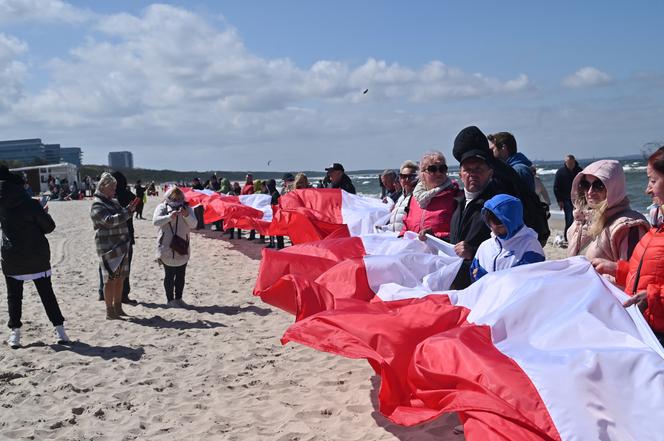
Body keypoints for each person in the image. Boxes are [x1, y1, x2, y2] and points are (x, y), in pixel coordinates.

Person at [592, 146, 664, 343]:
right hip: (646, 325)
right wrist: (618, 269)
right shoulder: (658, 227)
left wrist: (652, 297)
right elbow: (651, 273)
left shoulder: (632, 225)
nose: (647, 189)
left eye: (653, 181)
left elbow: (654, 287)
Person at [0, 167, 69, 348]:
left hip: (12, 255)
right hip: (36, 255)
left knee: (14, 297)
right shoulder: (30, 203)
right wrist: (43, 211)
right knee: (47, 294)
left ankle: (15, 334)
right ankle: (60, 331)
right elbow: (49, 227)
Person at [567, 160, 649, 266]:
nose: (590, 192)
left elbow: (634, 274)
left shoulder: (628, 227)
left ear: (614, 188)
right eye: (585, 185)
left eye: (599, 185)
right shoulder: (581, 221)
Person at [449, 129, 500, 289]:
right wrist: (433, 238)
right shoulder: (458, 202)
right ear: (460, 174)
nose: (472, 174)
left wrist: (473, 251)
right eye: (467, 170)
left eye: (478, 169)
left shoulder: (495, 205)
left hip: (482, 283)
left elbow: (509, 246)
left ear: (490, 173)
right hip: (456, 280)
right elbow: (456, 242)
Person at [90, 173, 138, 320]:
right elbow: (108, 221)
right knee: (109, 279)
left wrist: (129, 210)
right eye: (112, 188)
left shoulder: (114, 202)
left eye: (115, 188)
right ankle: (109, 310)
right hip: (108, 246)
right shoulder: (97, 204)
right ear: (103, 187)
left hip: (121, 244)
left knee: (120, 278)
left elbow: (122, 217)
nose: (114, 191)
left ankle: (118, 307)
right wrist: (127, 212)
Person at [470, 194, 545, 282]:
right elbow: (474, 273)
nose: (493, 227)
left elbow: (527, 281)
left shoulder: (530, 245)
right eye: (489, 222)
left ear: (513, 221)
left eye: (498, 222)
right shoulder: (485, 246)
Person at [153, 187, 197, 307]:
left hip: (182, 245)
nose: (177, 200)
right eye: (174, 198)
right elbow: (155, 221)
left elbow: (194, 224)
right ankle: (170, 300)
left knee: (181, 274)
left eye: (179, 198)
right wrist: (169, 217)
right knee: (169, 275)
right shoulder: (162, 207)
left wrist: (186, 215)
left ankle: (179, 298)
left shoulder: (187, 208)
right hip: (167, 246)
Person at [400, 152, 458, 239]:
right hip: (414, 249)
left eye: (442, 169)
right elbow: (406, 226)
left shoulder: (455, 195)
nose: (438, 173)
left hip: (440, 250)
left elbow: (459, 232)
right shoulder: (414, 197)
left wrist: (434, 237)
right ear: (422, 173)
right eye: (432, 169)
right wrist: (401, 236)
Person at [382, 160, 418, 232]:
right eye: (403, 176)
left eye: (411, 176)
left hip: (406, 240)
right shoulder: (400, 198)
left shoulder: (418, 198)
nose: (407, 179)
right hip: (394, 239)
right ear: (400, 178)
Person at [554, 154, 583, 241]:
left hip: (579, 199)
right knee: (569, 218)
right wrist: (559, 201)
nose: (570, 164)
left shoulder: (579, 171)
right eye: (568, 163)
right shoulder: (560, 172)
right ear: (565, 162)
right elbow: (556, 187)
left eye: (572, 163)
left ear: (574, 162)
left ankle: (578, 236)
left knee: (580, 218)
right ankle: (567, 237)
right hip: (566, 199)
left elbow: (585, 184)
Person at [265, 179, 285, 249]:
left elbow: (277, 204)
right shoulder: (271, 193)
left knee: (278, 232)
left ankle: (280, 246)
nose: (267, 187)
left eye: (268, 185)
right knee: (272, 231)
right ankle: (272, 243)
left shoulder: (275, 193)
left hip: (276, 215)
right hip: (272, 215)